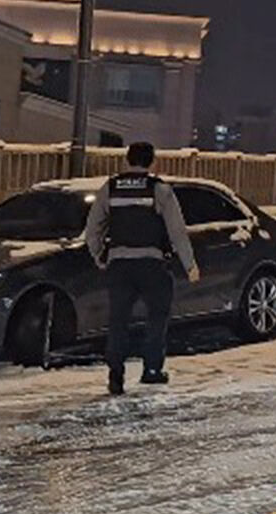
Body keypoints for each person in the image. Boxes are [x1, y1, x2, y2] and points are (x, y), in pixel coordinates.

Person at [84, 142, 200, 396]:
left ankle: (116, 375)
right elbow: (177, 231)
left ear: (127, 160)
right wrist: (189, 265)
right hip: (152, 265)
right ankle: (152, 370)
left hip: (119, 265)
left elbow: (93, 229)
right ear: (151, 162)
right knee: (157, 318)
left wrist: (100, 257)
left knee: (118, 321)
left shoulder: (110, 188)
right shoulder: (159, 190)